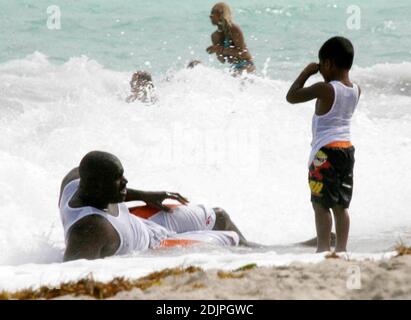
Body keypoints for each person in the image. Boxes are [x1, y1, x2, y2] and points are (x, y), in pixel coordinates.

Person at [59, 151, 250, 261]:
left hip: (140, 222)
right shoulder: (90, 230)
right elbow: (73, 276)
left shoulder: (74, 180)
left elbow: (104, 187)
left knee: (220, 216)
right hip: (154, 246)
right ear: (98, 185)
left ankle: (256, 248)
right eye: (118, 180)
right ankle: (262, 256)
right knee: (230, 238)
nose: (125, 181)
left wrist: (144, 196)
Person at [286, 36, 360, 253]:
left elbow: (291, 96)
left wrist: (306, 73)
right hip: (347, 150)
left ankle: (323, 249)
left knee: (321, 205)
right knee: (341, 206)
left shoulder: (325, 89)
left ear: (328, 64)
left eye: (321, 67)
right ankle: (343, 249)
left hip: (325, 153)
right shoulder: (356, 89)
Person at [206, 2, 255, 75]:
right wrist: (218, 51)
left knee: (236, 76)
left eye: (214, 12)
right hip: (234, 67)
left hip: (247, 64)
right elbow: (222, 61)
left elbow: (241, 53)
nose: (210, 16)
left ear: (221, 15)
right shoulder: (214, 36)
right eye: (211, 13)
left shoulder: (233, 29)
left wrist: (220, 49)